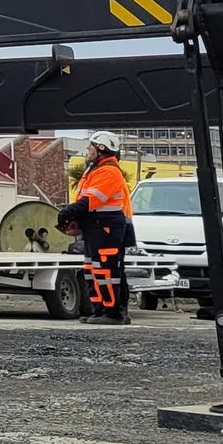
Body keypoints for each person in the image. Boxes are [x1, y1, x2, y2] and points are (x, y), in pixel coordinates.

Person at [60, 132, 135, 324]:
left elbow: (91, 200)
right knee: (93, 269)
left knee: (107, 271)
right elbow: (86, 200)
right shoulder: (95, 169)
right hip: (96, 227)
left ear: (101, 148)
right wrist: (74, 215)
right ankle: (100, 311)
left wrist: (68, 212)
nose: (88, 150)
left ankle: (113, 313)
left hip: (106, 227)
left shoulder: (108, 171)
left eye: (91, 146)